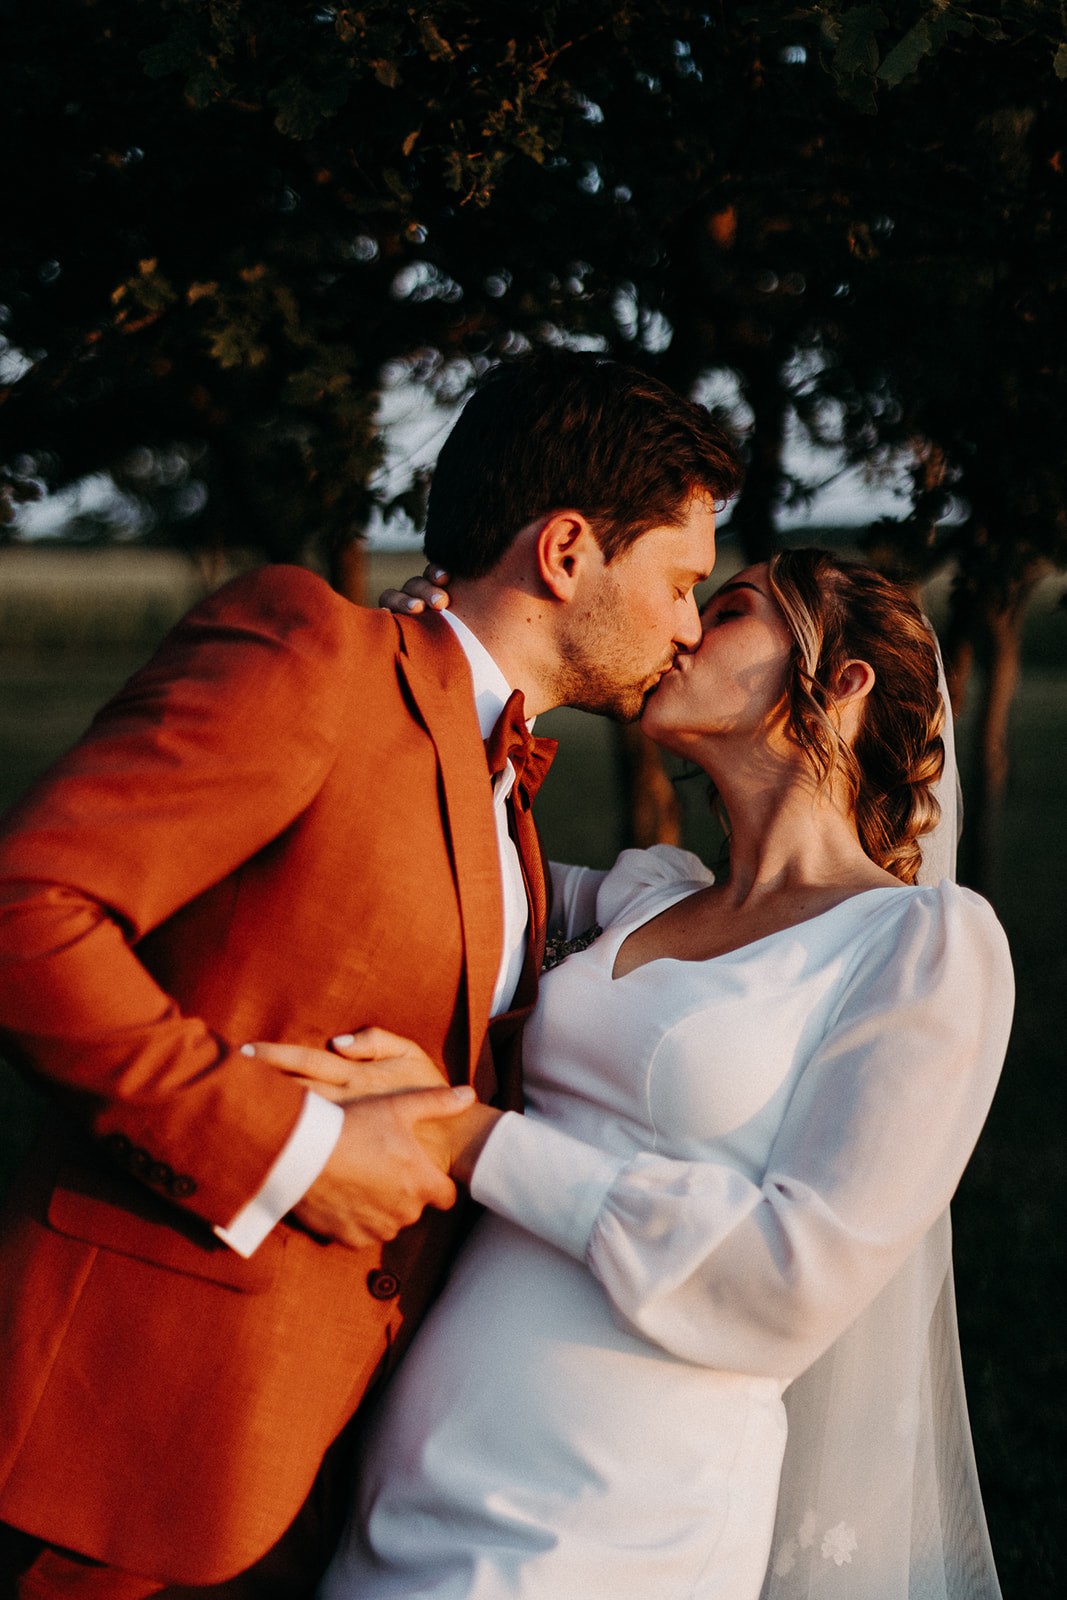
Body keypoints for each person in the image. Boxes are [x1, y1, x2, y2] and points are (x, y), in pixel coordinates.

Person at [0, 351, 740, 1598]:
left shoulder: (497, 777)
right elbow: (31, 910)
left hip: (333, 1458)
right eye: (677, 583)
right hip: (121, 1436)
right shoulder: (315, 657)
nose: (685, 629)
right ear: (565, 552)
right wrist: (292, 1151)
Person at [270, 548, 1012, 1600]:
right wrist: (438, 666)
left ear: (839, 684)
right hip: (407, 1479)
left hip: (607, 1519)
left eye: (734, 608)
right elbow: (445, 853)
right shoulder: (642, 899)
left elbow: (786, 1280)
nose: (684, 629)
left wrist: (472, 1136)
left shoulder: (918, 948)